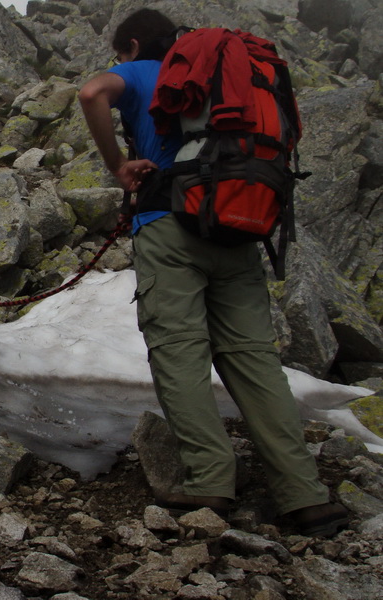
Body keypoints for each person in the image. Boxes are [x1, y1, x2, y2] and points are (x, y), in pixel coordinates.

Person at [77, 8, 349, 537]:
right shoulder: (231, 79)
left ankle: (209, 480)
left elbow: (91, 94)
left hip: (168, 225)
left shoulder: (142, 72)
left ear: (133, 46)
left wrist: (116, 166)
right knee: (254, 361)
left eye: (121, 53)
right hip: (238, 225)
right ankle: (306, 495)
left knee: (179, 351)